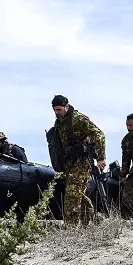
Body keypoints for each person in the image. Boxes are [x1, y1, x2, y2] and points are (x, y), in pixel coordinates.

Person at [46, 95, 106, 226]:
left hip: (82, 162)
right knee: (76, 192)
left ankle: (71, 227)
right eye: (55, 110)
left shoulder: (78, 119)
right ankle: (92, 217)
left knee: (72, 193)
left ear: (67, 106)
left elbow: (99, 134)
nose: (57, 112)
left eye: (60, 109)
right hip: (69, 163)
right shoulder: (59, 123)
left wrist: (101, 158)